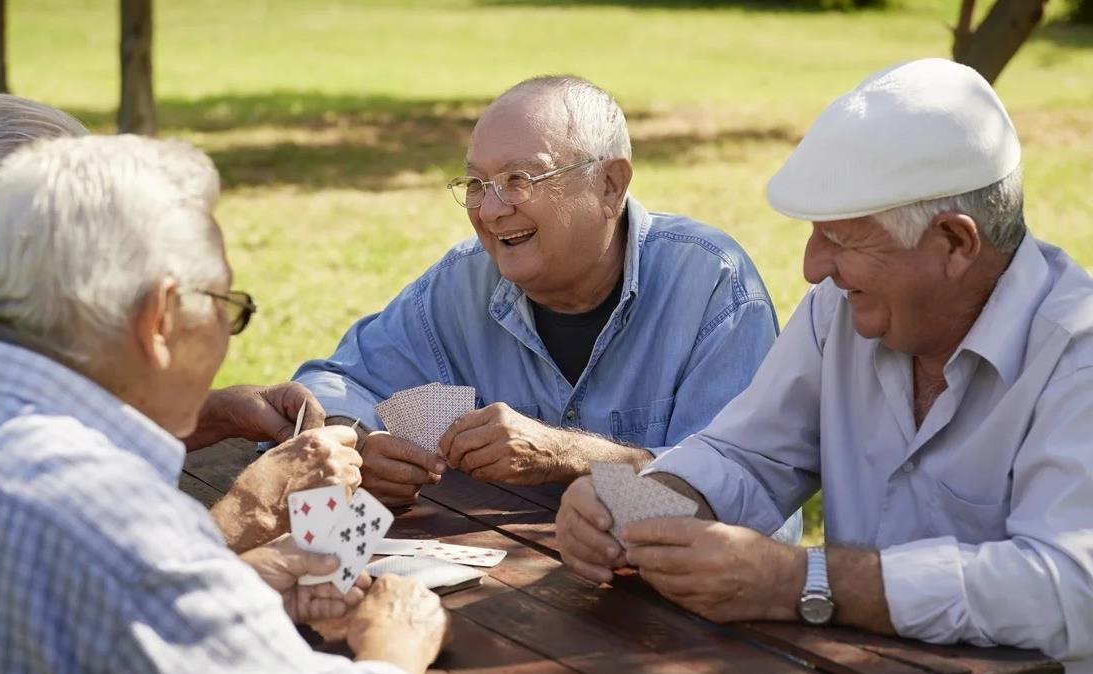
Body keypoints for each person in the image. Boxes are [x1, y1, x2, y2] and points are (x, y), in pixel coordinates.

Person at [556, 58, 1093, 674]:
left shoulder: (1076, 353)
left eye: (840, 239)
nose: (812, 266)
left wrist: (803, 582)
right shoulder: (839, 314)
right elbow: (745, 454)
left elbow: (1066, 588)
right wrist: (636, 501)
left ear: (956, 243)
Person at [0, 134, 448, 674]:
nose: (227, 339)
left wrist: (231, 583)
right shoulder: (120, 520)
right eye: (225, 306)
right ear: (160, 319)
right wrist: (396, 640)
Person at [294, 76, 799, 541]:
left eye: (520, 179)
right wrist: (358, 444)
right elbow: (333, 383)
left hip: (662, 616)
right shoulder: (463, 282)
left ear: (610, 186)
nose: (491, 211)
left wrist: (571, 458)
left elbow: (744, 506)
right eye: (475, 184)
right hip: (502, 598)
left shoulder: (711, 284)